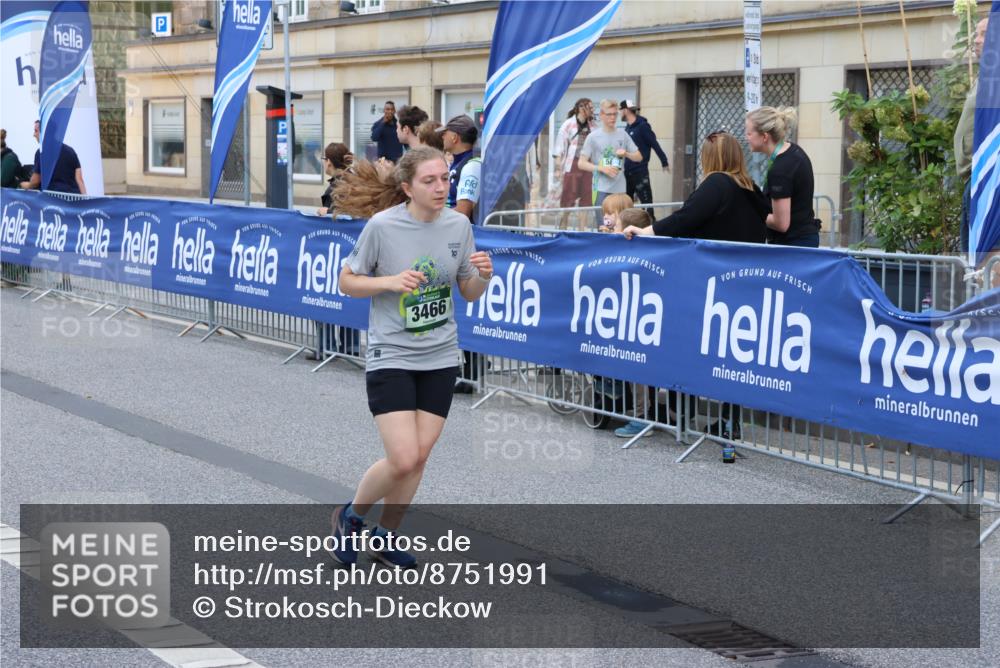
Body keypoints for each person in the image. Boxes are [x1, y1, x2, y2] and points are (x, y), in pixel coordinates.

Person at [331, 146, 494, 569]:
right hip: (393, 353)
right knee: (403, 457)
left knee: (419, 457)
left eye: (445, 179)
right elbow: (347, 282)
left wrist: (485, 277)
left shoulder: (460, 225)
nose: (441, 187)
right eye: (430, 181)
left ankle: (385, 537)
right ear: (407, 187)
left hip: (440, 355)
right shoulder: (383, 227)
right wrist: (389, 281)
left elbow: (468, 291)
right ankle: (350, 517)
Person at [623, 131, 768, 442]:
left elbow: (685, 219)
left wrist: (645, 230)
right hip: (743, 284)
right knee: (732, 357)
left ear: (710, 158)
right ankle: (729, 422)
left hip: (711, 284)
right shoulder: (751, 187)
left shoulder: (717, 184)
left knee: (689, 344)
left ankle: (683, 414)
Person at [745, 106, 819, 247]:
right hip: (804, 240)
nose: (746, 137)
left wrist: (751, 212)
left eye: (749, 133)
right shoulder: (793, 151)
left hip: (792, 246)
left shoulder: (780, 169)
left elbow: (781, 224)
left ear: (765, 137)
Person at [577, 99, 642, 227]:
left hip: (620, 190)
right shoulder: (593, 137)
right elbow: (581, 163)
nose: (612, 117)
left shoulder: (623, 135)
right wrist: (601, 168)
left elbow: (639, 157)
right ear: (601, 115)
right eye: (609, 114)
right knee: (604, 228)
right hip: (601, 190)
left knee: (621, 228)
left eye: (614, 114)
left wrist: (627, 154)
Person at [956, 16, 989, 252]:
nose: (976, 41)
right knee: (974, 266)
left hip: (989, 179)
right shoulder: (987, 75)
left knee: (988, 263)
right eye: (975, 34)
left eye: (984, 34)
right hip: (972, 179)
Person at [553, 98, 597, 230]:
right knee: (568, 199)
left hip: (587, 165)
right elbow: (558, 149)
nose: (592, 110)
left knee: (586, 199)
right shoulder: (567, 125)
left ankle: (582, 230)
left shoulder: (593, 126)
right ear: (581, 108)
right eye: (590, 107)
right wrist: (558, 168)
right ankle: (563, 228)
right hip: (572, 165)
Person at [620, 99, 669, 208]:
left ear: (626, 110)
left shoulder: (643, 126)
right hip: (627, 172)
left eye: (621, 110)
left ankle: (651, 222)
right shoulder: (627, 128)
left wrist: (664, 161)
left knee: (646, 203)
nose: (620, 113)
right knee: (628, 205)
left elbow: (654, 143)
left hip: (640, 171)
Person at [20, 120, 86, 194]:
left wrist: (26, 185)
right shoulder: (70, 151)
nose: (34, 135)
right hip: (73, 198)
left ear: (44, 132)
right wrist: (85, 201)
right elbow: (79, 180)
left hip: (53, 200)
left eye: (36, 131)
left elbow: (36, 181)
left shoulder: (41, 153)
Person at [438, 115, 480, 219]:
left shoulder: (471, 166)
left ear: (454, 137)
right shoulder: (457, 162)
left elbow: (463, 212)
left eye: (444, 133)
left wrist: (433, 217)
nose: (442, 136)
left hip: (463, 231)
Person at [317, 142, 353, 216]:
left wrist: (327, 212)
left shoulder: (340, 184)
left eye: (324, 159)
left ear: (329, 162)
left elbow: (347, 214)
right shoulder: (350, 178)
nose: (323, 162)